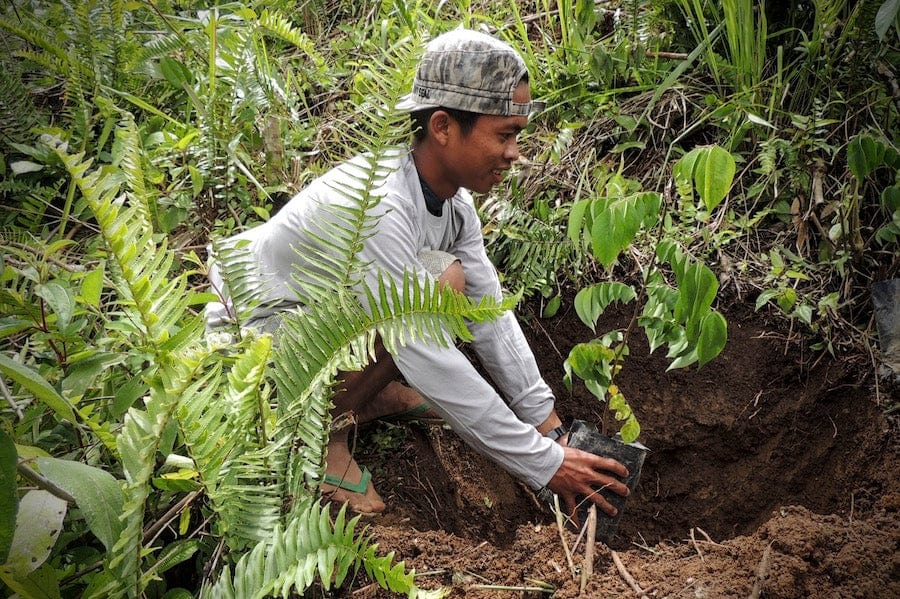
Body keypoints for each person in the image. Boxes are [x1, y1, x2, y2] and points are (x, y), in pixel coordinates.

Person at [205, 28, 629, 520]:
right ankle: (318, 440)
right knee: (421, 302)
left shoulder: (455, 204)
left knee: (452, 283)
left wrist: (548, 426)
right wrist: (544, 465)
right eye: (505, 134)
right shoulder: (380, 206)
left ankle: (364, 393)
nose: (515, 152)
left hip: (313, 325)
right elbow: (425, 354)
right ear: (444, 126)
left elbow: (488, 311)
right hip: (251, 349)